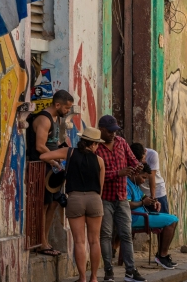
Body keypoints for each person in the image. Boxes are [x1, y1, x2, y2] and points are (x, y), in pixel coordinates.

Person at [39, 128, 105, 282]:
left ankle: (82, 278)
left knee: (79, 241)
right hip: (94, 199)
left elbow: (43, 155)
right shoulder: (100, 161)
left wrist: (57, 164)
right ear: (94, 144)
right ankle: (94, 278)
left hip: (75, 199)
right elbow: (100, 188)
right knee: (94, 240)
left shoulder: (69, 152)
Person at [95, 115, 145, 282]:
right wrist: (118, 173)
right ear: (101, 130)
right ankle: (108, 270)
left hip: (122, 197)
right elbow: (96, 174)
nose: (113, 135)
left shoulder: (121, 143)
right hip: (105, 198)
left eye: (115, 131)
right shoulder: (96, 147)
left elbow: (132, 160)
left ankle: (131, 270)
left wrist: (137, 167)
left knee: (125, 233)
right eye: (110, 132)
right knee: (106, 235)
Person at [27, 90, 75, 256]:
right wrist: (54, 160)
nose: (68, 111)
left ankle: (45, 239)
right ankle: (41, 242)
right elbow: (40, 146)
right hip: (43, 168)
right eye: (67, 108)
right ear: (57, 105)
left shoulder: (56, 119)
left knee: (54, 203)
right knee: (43, 204)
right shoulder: (43, 119)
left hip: (53, 169)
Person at [126, 166, 180, 270]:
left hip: (144, 215)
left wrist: (153, 201)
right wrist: (142, 203)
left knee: (173, 219)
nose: (144, 180)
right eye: (143, 177)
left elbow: (143, 197)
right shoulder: (127, 184)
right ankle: (162, 256)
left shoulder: (136, 185)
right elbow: (127, 205)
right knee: (171, 221)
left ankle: (161, 254)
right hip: (136, 218)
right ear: (136, 174)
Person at [130, 143, 169, 214]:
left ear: (145, 152)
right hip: (142, 194)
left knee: (162, 217)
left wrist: (153, 198)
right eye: (140, 161)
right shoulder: (132, 158)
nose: (143, 162)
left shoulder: (153, 155)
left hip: (157, 192)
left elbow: (151, 177)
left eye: (143, 158)